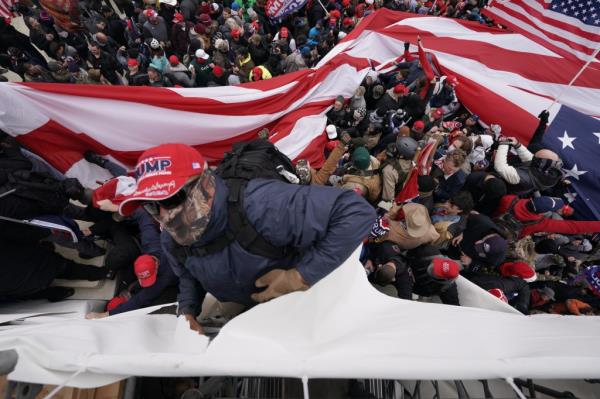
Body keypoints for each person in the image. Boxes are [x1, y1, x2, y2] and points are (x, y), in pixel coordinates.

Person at [118, 143, 376, 333]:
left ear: (204, 183)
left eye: (171, 198)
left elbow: (356, 212)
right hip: (247, 307)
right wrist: (188, 310)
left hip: (300, 303)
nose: (164, 214)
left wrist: (300, 276)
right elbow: (187, 276)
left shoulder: (262, 205)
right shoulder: (172, 241)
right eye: (151, 205)